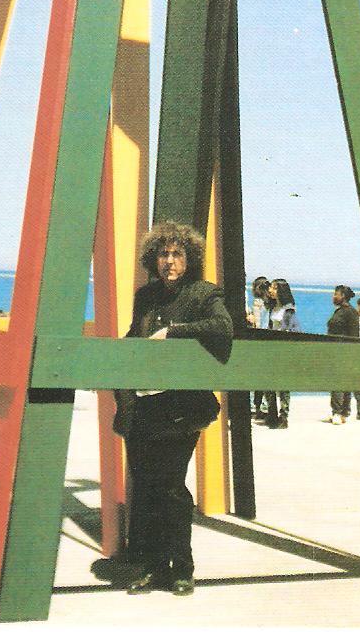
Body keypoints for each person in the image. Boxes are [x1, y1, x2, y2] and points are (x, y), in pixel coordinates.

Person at [113, 221, 233, 597]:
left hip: (180, 411)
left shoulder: (204, 293)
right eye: (163, 254)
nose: (169, 261)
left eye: (177, 254)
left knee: (170, 487)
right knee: (148, 489)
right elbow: (135, 336)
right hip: (143, 407)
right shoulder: (146, 296)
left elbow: (222, 327)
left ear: (189, 258)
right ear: (154, 259)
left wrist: (173, 331)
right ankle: (153, 568)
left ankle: (182, 569)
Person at [264, 278, 300, 429]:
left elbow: (293, 330)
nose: (270, 290)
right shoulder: (273, 308)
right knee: (268, 383)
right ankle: (272, 414)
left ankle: (283, 417)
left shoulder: (288, 310)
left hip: (282, 350)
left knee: (283, 385)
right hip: (271, 349)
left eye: (274, 288)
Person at [327, 284, 358, 423]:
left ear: (343, 296)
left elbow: (354, 334)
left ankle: (339, 412)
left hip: (344, 351)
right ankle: (342, 412)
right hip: (336, 351)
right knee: (340, 382)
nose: (333, 296)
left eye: (336, 294)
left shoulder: (350, 312)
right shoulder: (341, 311)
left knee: (339, 382)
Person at [247, 276, 271, 420]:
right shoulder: (267, 304)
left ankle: (255, 407)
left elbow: (257, 324)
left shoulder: (257, 303)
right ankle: (261, 407)